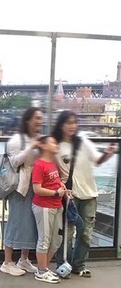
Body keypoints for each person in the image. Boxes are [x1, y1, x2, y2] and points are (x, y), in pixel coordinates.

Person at [53, 111, 118, 277]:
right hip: (69, 196)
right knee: (66, 234)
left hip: (89, 194)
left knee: (86, 233)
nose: (72, 126)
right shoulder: (56, 146)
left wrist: (108, 154)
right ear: (61, 124)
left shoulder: (83, 143)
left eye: (74, 123)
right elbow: (52, 171)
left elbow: (97, 160)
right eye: (68, 123)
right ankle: (63, 266)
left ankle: (79, 265)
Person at [0, 107, 43, 276]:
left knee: (30, 223)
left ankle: (24, 259)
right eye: (36, 118)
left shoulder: (38, 138)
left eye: (40, 118)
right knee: (15, 222)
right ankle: (7, 261)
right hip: (20, 188)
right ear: (28, 120)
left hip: (35, 186)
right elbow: (14, 162)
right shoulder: (17, 140)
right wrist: (32, 147)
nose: (40, 121)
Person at [31, 136, 67, 284]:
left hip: (57, 205)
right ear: (44, 146)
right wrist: (56, 193)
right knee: (44, 239)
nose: (56, 144)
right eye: (52, 142)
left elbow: (54, 181)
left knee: (56, 240)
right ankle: (41, 271)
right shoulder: (39, 165)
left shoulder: (52, 163)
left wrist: (62, 188)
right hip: (44, 206)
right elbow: (37, 189)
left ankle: (44, 267)